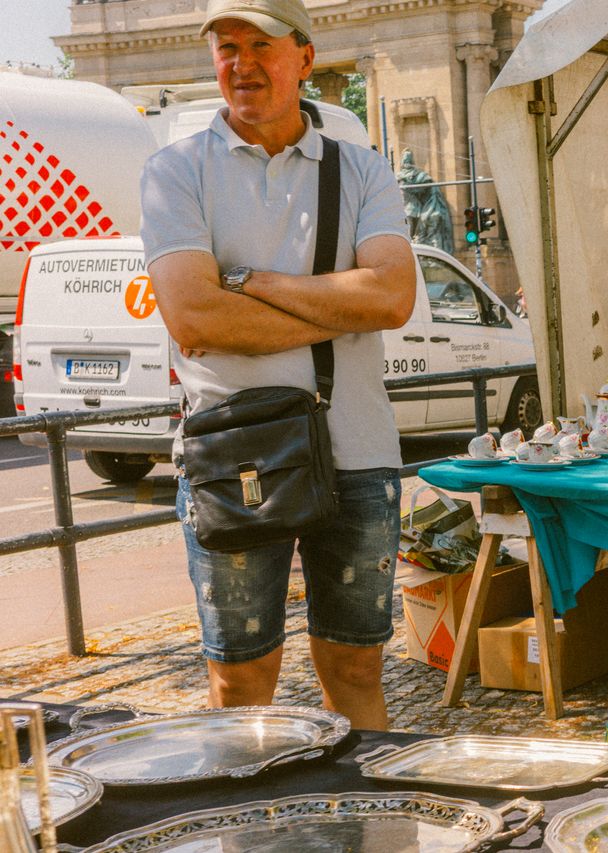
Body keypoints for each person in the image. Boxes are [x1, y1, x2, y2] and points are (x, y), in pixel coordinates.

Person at [139, 0, 416, 731]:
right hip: (233, 456)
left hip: (355, 450)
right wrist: (331, 305)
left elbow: (390, 298)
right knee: (239, 680)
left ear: (304, 57)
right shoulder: (175, 170)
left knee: (356, 668)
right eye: (227, 46)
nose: (242, 63)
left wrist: (253, 282)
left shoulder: (359, 169)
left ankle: (366, 831)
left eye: (261, 45)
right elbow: (193, 316)